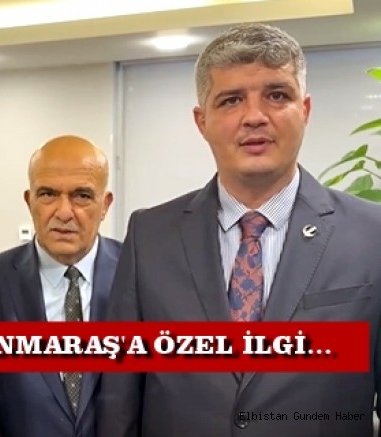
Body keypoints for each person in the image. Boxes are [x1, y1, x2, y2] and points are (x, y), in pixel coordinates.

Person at [98, 23, 381, 437]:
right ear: (202, 121)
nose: (254, 117)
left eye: (277, 95)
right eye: (231, 100)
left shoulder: (372, 235)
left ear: (304, 110)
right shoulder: (149, 236)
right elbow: (120, 400)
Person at [0, 135, 120, 437]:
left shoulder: (137, 275)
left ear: (105, 204)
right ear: (29, 201)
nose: (64, 212)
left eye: (82, 196)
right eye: (48, 194)